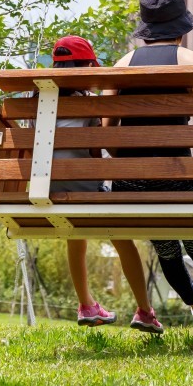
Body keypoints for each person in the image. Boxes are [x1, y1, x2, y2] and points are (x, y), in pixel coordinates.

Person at [104, 0, 193, 334]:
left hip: (130, 185)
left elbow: (105, 129)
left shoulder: (120, 66)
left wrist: (129, 167)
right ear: (181, 27)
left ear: (146, 30)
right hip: (179, 177)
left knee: (165, 243)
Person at [45, 35, 163, 334]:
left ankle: (86, 304)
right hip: (85, 193)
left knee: (76, 231)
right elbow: (98, 153)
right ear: (85, 66)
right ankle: (145, 311)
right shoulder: (87, 103)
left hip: (49, 192)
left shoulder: (37, 102)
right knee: (122, 236)